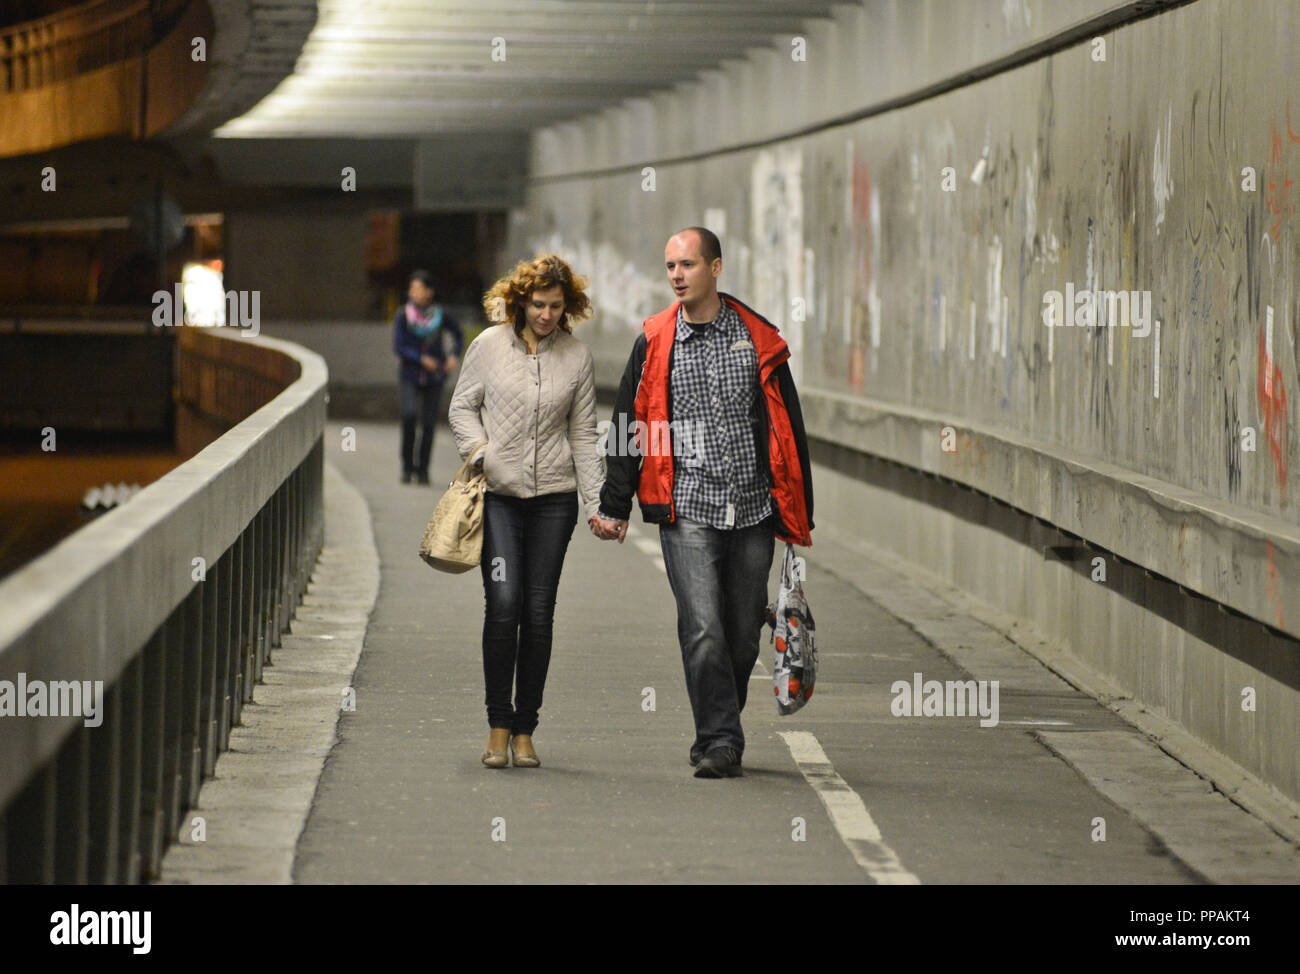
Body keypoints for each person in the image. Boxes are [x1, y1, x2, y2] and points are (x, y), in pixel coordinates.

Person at [592, 227, 814, 779]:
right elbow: (628, 424)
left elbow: (788, 424)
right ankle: (719, 737)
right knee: (703, 626)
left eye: (687, 265)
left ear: (715, 268)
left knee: (741, 633)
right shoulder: (654, 341)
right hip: (687, 506)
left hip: (753, 510)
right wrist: (615, 504)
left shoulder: (756, 337)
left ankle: (720, 724)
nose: (676, 275)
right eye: (669, 266)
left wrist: (798, 505)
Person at [449, 254, 604, 769]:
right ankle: (498, 722)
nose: (546, 315)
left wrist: (597, 502)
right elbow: (461, 407)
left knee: (538, 613)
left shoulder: (578, 357)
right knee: (505, 602)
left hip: (554, 501)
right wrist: (482, 454)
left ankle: (525, 728)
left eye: (556, 306)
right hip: (497, 497)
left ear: (568, 306)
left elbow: (583, 433)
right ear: (520, 302)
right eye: (538, 304)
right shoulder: (488, 347)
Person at [393, 269, 463, 484]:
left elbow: (458, 335)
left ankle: (423, 469)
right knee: (409, 415)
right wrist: (421, 359)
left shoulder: (441, 315)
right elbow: (399, 346)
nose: (414, 292)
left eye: (419, 288)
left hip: (435, 377)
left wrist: (453, 356)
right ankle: (407, 466)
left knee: (430, 423)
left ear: (429, 292)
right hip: (411, 374)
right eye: (412, 288)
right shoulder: (403, 314)